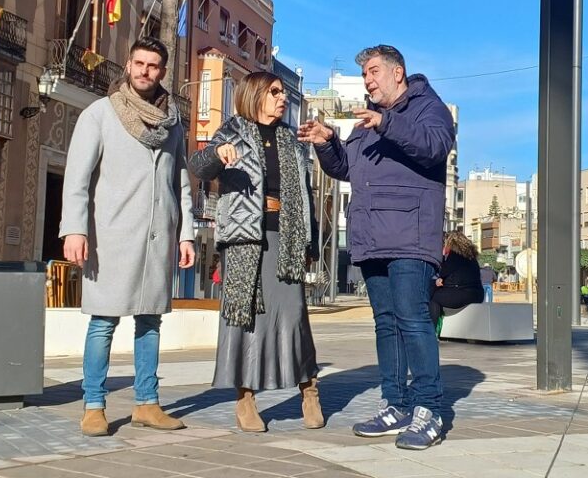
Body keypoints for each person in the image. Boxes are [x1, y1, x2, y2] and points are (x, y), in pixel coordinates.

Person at [297, 44, 455, 450]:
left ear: (397, 72)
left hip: (410, 234)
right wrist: (326, 142)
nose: (368, 80)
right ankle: (396, 404)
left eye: (373, 72)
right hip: (372, 235)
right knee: (386, 321)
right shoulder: (368, 119)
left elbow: (434, 146)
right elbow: (347, 168)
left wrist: (386, 123)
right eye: (365, 74)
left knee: (412, 318)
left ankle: (429, 409)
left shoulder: (427, 106)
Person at [59, 37, 195, 437]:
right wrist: (75, 228)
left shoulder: (172, 125)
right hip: (111, 237)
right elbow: (77, 179)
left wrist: (186, 234)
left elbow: (181, 184)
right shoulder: (99, 114)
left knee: (150, 322)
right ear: (128, 64)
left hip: (156, 237)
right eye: (139, 63)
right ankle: (94, 404)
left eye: (153, 66)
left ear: (162, 72)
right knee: (102, 322)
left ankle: (147, 403)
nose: (145, 71)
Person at [188, 72, 323, 433]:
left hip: (287, 236)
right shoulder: (230, 131)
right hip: (245, 238)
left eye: (282, 93)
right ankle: (245, 398)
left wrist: (309, 240)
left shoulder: (292, 142)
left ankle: (309, 389)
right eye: (274, 93)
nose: (282, 99)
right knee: (245, 317)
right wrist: (217, 153)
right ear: (255, 95)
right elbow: (198, 166)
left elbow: (306, 194)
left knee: (293, 315)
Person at [430, 232, 485, 326]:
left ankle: (431, 329)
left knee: (433, 297)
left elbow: (442, 272)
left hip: (463, 294)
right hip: (478, 294)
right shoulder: (470, 256)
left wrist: (442, 255)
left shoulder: (455, 255)